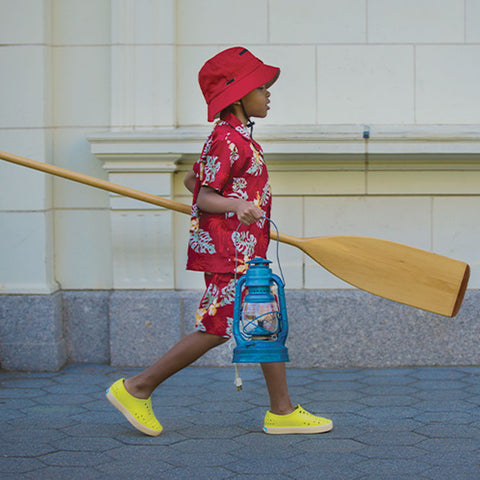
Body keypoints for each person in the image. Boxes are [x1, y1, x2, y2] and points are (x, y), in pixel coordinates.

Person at [106, 47, 333, 436]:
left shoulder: (235, 140)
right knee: (215, 327)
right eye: (261, 87)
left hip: (247, 253)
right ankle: (137, 388)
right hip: (229, 254)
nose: (268, 94)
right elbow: (205, 196)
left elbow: (193, 181)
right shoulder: (226, 139)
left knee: (265, 322)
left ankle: (282, 410)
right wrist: (235, 203)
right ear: (240, 95)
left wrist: (232, 199)